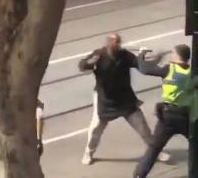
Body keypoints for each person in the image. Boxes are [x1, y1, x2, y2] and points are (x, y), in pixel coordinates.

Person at [79, 34, 170, 165]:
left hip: (125, 100)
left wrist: (155, 60)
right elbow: (82, 65)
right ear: (108, 43)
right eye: (114, 42)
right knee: (95, 129)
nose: (117, 45)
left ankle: (156, 151)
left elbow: (141, 65)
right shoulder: (99, 55)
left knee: (143, 128)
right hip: (105, 101)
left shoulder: (124, 55)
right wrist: (89, 63)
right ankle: (88, 152)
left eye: (118, 42)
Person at [134, 44, 193, 178]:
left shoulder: (169, 69)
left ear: (177, 56)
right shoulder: (192, 72)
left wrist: (141, 54)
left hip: (167, 116)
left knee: (154, 149)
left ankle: (139, 175)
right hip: (186, 116)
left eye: (173, 53)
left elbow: (144, 69)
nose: (171, 55)